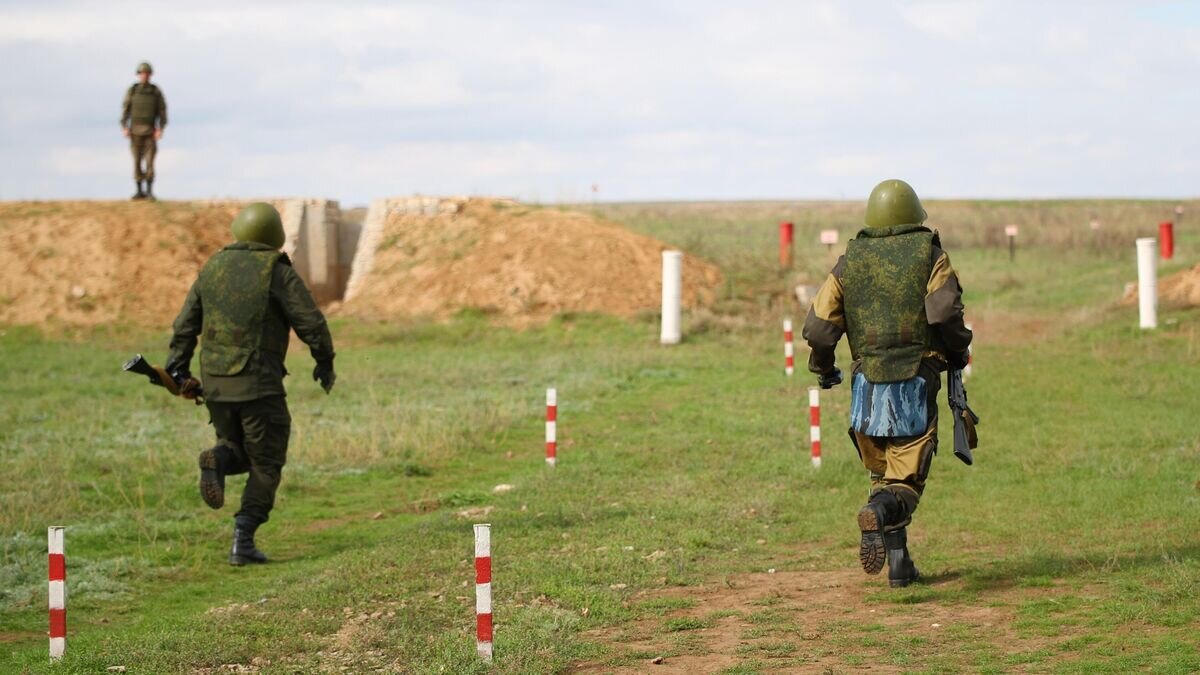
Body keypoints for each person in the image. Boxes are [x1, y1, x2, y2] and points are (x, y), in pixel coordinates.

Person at [802, 179, 972, 588]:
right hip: (915, 381)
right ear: (915, 216)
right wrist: (958, 350)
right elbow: (945, 312)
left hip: (866, 388)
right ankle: (877, 514)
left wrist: (824, 369)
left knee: (884, 475)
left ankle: (900, 566)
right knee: (904, 482)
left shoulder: (849, 261)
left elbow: (819, 328)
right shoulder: (930, 255)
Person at [164, 203, 337, 566]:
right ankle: (243, 537)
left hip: (214, 385)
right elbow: (310, 321)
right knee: (267, 459)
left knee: (234, 445)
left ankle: (219, 459)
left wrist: (177, 370)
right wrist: (324, 360)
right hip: (258, 385)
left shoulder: (211, 268)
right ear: (274, 235)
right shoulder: (275, 270)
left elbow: (184, 325)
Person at [120, 62, 167, 200]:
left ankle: (149, 191)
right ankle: (139, 190)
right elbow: (125, 110)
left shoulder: (155, 92)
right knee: (136, 161)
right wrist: (125, 127)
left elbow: (162, 112)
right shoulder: (133, 91)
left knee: (150, 162)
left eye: (146, 73)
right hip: (135, 131)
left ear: (150, 75)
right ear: (138, 75)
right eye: (142, 73)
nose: (144, 76)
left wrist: (160, 128)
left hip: (150, 132)